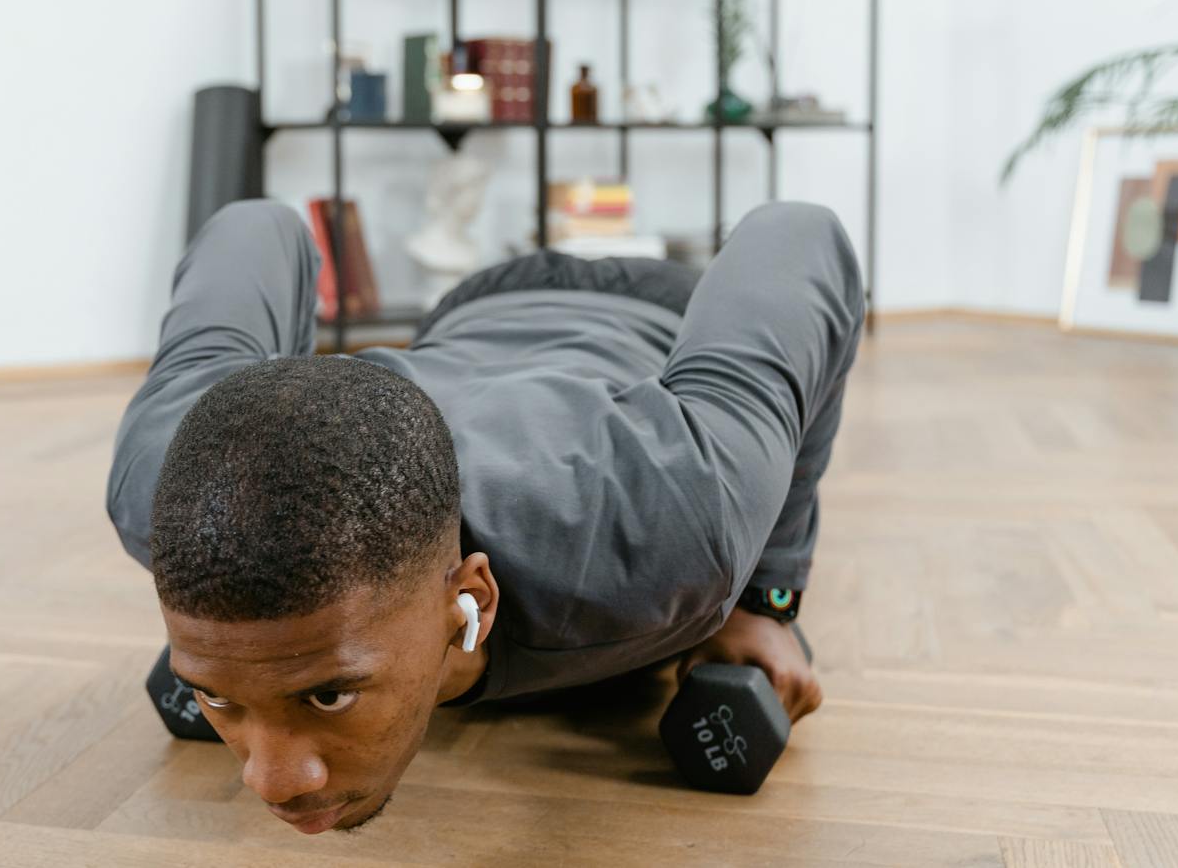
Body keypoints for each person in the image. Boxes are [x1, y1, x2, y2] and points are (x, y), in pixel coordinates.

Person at [106, 198, 866, 835]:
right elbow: (257, 225)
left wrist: (766, 592)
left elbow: (800, 235)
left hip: (658, 310)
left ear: (472, 600)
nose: (269, 781)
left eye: (328, 692)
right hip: (470, 312)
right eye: (217, 697)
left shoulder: (669, 516)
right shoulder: (169, 487)